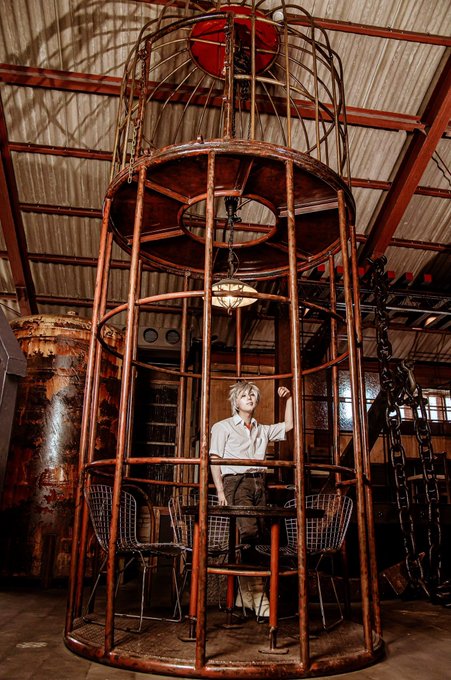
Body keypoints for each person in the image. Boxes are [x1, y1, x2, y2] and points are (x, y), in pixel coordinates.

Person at [209, 380, 293, 620]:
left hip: (259, 482)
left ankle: (244, 593)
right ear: (235, 402)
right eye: (244, 395)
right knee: (249, 533)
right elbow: (215, 460)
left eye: (253, 395)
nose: (249, 398)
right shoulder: (222, 427)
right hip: (236, 483)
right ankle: (257, 594)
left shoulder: (261, 429)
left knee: (261, 534)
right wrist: (220, 492)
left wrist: (289, 399)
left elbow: (289, 425)